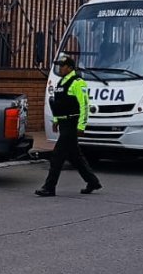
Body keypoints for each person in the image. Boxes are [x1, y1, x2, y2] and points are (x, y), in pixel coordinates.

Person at [36, 54, 101, 197]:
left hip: (72, 124)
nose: (60, 68)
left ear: (70, 67)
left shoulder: (77, 82)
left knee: (57, 156)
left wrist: (81, 126)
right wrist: (56, 120)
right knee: (75, 156)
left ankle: (49, 187)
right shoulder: (61, 82)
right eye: (59, 66)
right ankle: (93, 182)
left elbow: (84, 105)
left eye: (63, 66)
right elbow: (58, 105)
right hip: (63, 123)